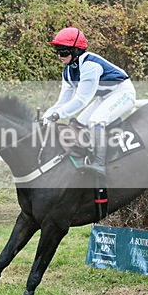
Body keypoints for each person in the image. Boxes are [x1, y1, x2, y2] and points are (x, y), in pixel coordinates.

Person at [43, 27, 136, 180]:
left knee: (96, 120)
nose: (59, 56)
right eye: (57, 51)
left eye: (63, 52)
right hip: (105, 97)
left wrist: (57, 115)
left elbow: (81, 100)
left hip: (123, 92)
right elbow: (62, 102)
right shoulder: (68, 71)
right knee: (79, 123)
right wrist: (46, 117)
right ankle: (88, 156)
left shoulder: (90, 65)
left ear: (76, 51)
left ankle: (99, 163)